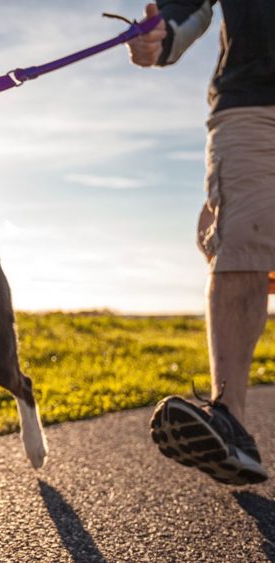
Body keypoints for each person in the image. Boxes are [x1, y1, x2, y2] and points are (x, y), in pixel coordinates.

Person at [128, 1, 273, 485]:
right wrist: (163, 34)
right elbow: (188, 6)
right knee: (240, 246)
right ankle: (230, 422)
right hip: (254, 103)